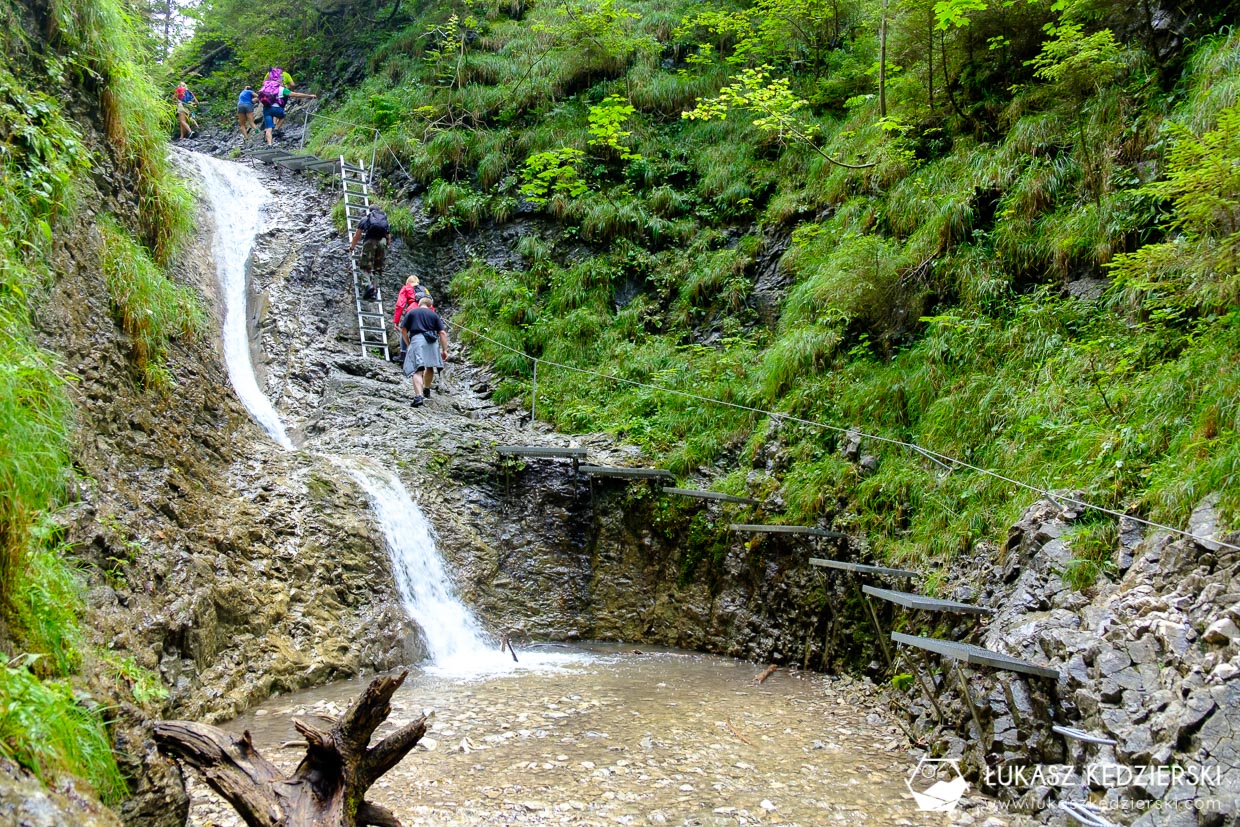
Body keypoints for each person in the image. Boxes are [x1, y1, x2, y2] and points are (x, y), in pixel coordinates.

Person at [401, 297, 448, 406]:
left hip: (417, 340)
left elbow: (403, 330)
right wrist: (444, 350)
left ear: (419, 304)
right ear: (430, 306)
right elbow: (442, 333)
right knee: (430, 366)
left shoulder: (412, 312)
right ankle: (426, 389)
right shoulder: (434, 315)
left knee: (418, 369)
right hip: (432, 342)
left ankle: (418, 397)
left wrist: (408, 344)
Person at [348, 207, 392, 290]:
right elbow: (388, 237)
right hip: (382, 243)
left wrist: (351, 248)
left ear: (370, 211)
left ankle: (367, 287)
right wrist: (387, 246)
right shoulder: (384, 221)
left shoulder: (366, 219)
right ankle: (374, 289)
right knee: (378, 269)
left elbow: (356, 236)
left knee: (365, 267)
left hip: (370, 243)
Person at [391, 275, 432, 362]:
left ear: (408, 282)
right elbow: (430, 303)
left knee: (404, 330)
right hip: (427, 313)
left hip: (412, 311)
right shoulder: (424, 289)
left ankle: (403, 354)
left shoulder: (406, 288)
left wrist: (396, 322)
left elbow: (400, 305)